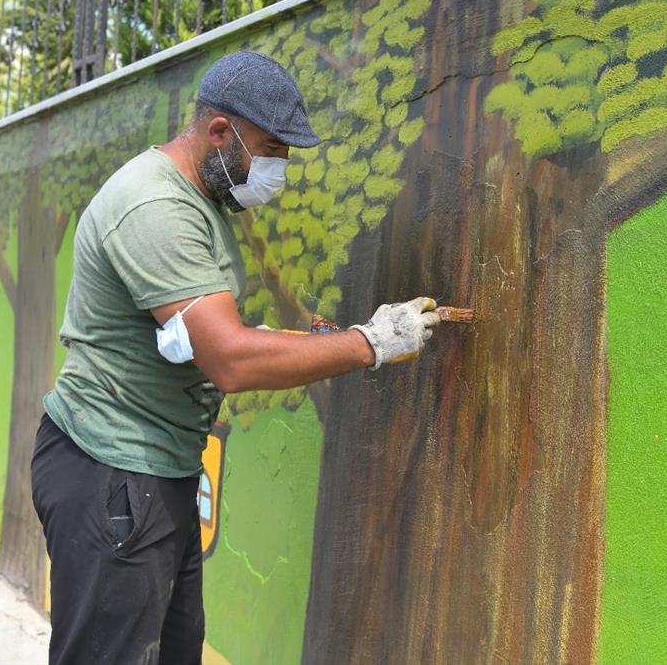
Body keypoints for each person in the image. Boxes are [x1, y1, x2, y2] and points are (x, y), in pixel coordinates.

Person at [31, 51, 440, 665]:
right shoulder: (156, 208)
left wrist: (298, 339)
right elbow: (232, 361)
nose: (277, 170)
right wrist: (370, 343)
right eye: (271, 151)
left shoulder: (201, 201)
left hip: (155, 472)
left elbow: (198, 329)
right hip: (111, 471)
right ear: (220, 131)